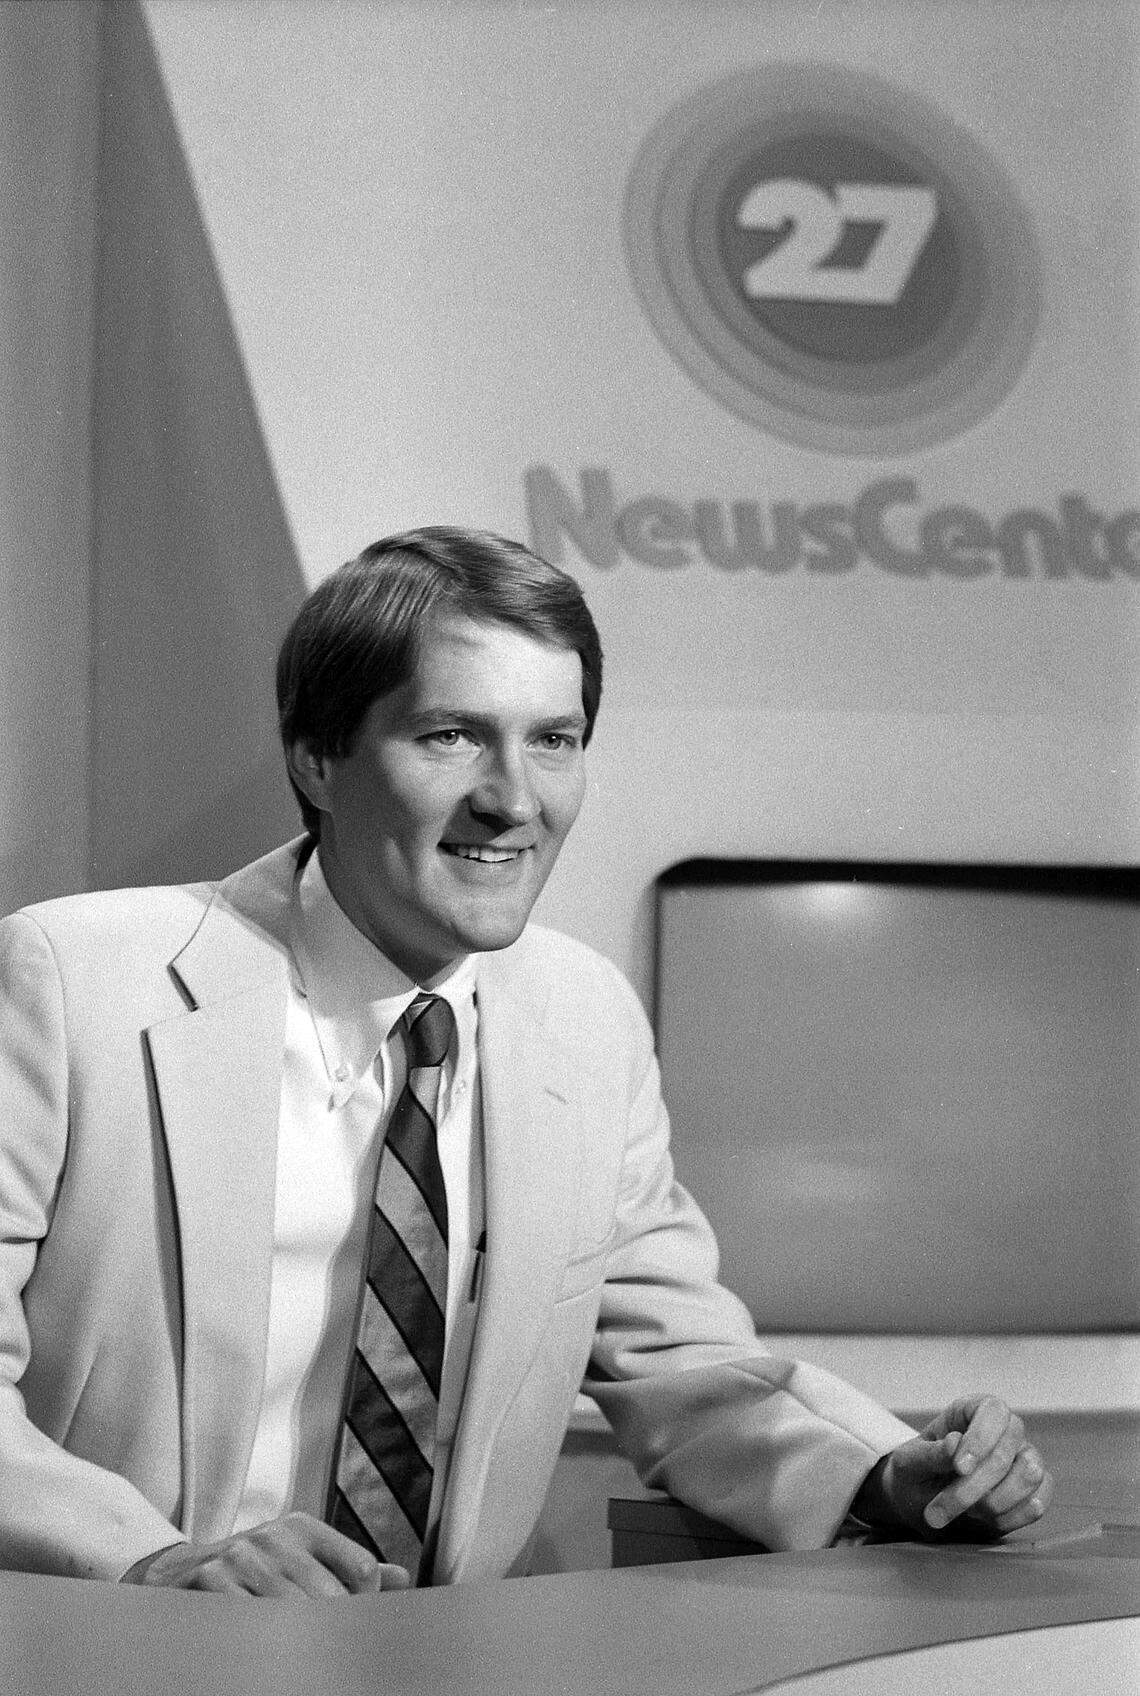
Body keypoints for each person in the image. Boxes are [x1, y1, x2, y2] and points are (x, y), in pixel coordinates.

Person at [0, 527, 1052, 1596]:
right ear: (317, 758)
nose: (514, 798)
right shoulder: (73, 979)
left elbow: (675, 1355)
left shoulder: (584, 1016)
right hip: (103, 1644)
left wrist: (884, 1473)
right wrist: (158, 1558)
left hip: (433, 1661)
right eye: (454, 736)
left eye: (555, 739)